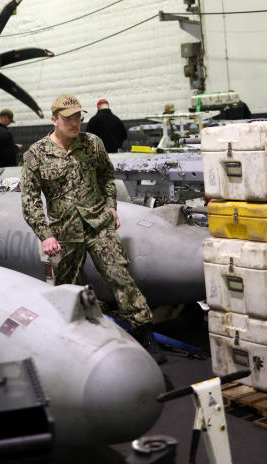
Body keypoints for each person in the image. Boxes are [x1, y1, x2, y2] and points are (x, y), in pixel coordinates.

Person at [21, 94, 165, 363]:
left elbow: (107, 176)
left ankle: (145, 334)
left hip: (99, 223)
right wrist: (46, 235)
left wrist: (111, 205)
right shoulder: (36, 155)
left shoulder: (93, 144)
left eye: (78, 117)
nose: (75, 123)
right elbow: (29, 201)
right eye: (68, 119)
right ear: (54, 120)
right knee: (68, 287)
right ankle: (72, 340)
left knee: (118, 275)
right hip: (65, 231)